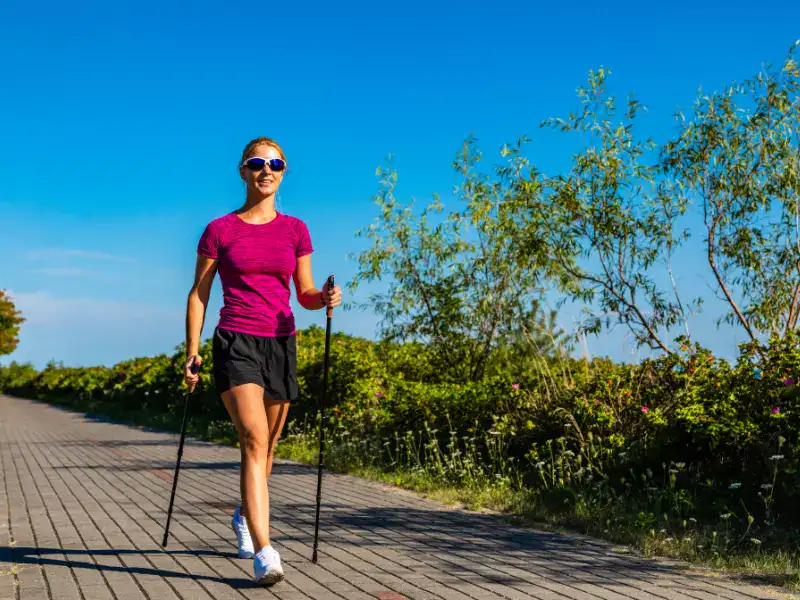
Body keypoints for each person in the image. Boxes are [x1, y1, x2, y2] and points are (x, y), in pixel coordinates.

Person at [183, 136, 342, 585]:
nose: (266, 169)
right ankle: (265, 551)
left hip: (281, 341)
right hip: (236, 340)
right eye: (257, 163)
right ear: (243, 171)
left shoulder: (295, 230)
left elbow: (306, 295)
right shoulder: (220, 229)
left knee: (269, 446)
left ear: (284, 171)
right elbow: (199, 294)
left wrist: (325, 296)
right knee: (253, 439)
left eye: (276, 163)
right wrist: (191, 350)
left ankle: (242, 516)